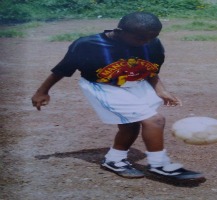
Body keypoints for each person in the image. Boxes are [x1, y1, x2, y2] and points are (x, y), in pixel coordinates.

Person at [31, 12, 205, 181]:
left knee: (131, 124)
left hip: (135, 84)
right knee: (155, 120)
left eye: (151, 37)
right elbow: (62, 69)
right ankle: (159, 165)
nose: (146, 42)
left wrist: (161, 90)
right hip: (102, 87)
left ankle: (114, 160)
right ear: (121, 31)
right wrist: (43, 91)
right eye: (140, 38)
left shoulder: (152, 43)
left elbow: (150, 71)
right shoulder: (88, 44)